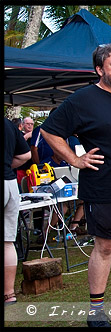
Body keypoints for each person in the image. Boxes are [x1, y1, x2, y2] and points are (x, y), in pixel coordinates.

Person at [40, 43, 111, 327]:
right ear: (99, 69)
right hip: (105, 186)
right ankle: (96, 311)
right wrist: (75, 160)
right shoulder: (82, 100)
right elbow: (49, 131)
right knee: (104, 247)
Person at [4, 117, 32, 306]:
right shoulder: (7, 124)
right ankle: (9, 294)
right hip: (9, 184)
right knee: (7, 242)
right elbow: (25, 155)